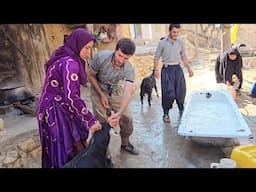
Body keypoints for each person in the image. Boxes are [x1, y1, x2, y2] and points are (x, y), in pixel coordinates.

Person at [37, 28, 109, 168]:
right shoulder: (70, 64)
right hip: (56, 110)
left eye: (90, 49)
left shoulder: (63, 54)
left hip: (52, 106)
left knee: (66, 145)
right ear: (78, 44)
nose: (88, 53)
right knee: (67, 145)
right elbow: (71, 97)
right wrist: (90, 120)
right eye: (87, 48)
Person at [87, 38, 139, 156]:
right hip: (98, 87)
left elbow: (127, 92)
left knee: (127, 118)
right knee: (102, 121)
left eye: (126, 58)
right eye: (120, 55)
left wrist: (119, 113)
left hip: (115, 89)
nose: (121, 60)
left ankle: (125, 143)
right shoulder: (100, 57)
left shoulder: (129, 69)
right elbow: (90, 76)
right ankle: (103, 150)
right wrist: (101, 95)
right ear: (115, 50)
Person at [153, 24, 193, 123]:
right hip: (167, 69)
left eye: (177, 32)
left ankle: (181, 109)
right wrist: (156, 70)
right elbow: (156, 57)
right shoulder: (162, 43)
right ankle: (166, 113)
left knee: (181, 91)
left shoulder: (181, 42)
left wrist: (189, 69)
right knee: (168, 93)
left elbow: (184, 56)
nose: (176, 34)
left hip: (178, 69)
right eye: (174, 32)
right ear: (170, 31)